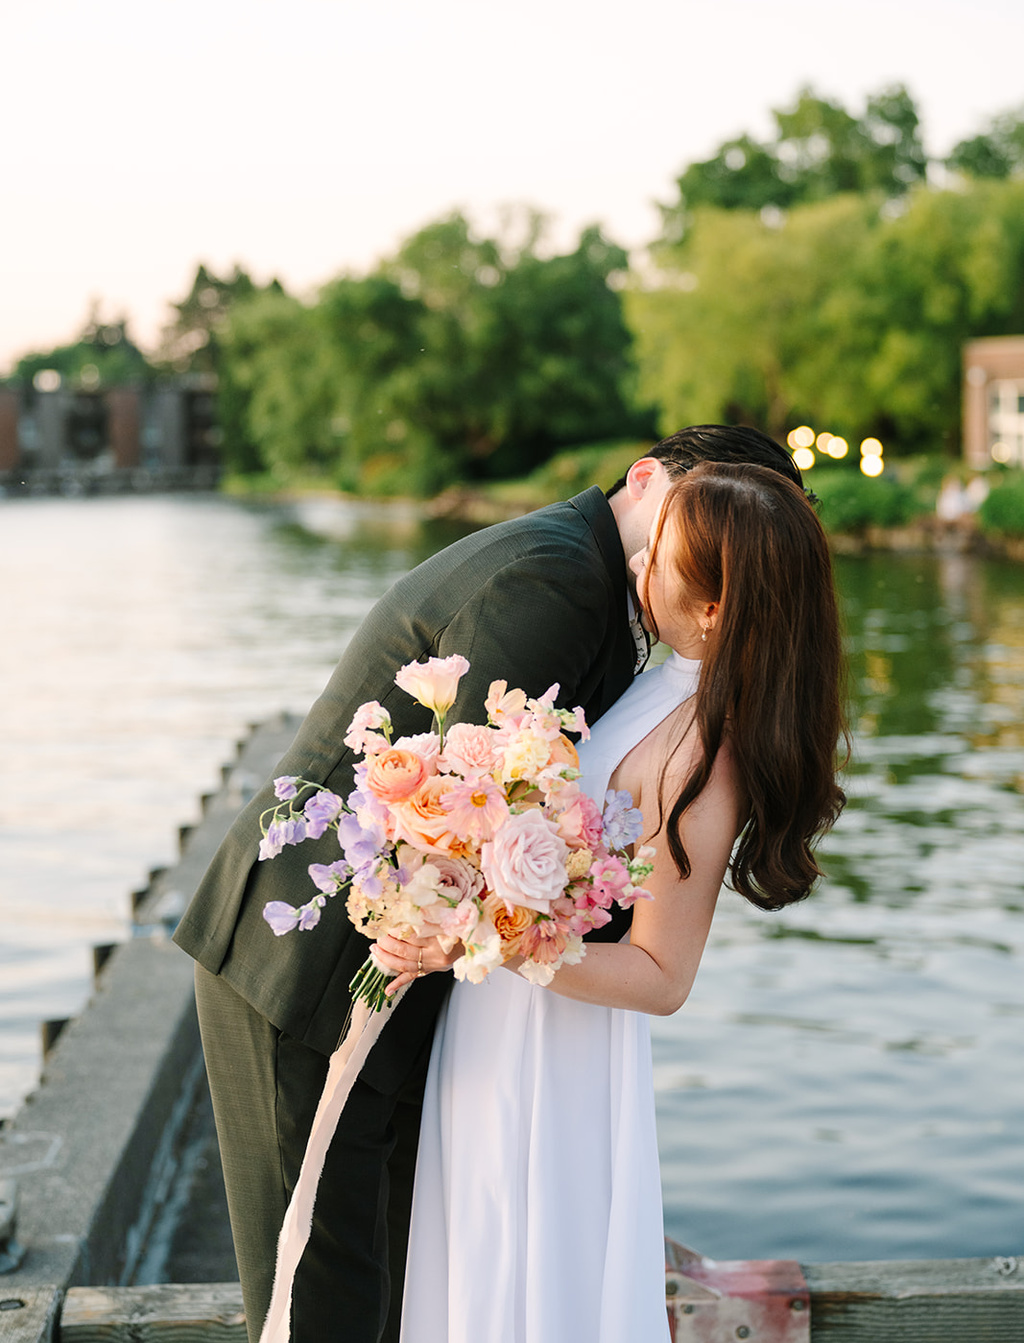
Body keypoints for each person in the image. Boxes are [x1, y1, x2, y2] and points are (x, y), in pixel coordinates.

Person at [172, 426, 805, 1343]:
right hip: (318, 975)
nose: (694, 547)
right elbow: (462, 809)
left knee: (389, 1299)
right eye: (699, 516)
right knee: (320, 1305)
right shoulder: (557, 582)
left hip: (419, 981)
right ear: (647, 481)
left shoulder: (602, 594)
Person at [375, 462, 847, 1342]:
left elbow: (665, 972)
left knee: (522, 1262)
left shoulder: (704, 756)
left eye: (658, 562)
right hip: (510, 1009)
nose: (636, 570)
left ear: (713, 609)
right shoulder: (659, 681)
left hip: (558, 1039)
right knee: (473, 1249)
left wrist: (487, 936)